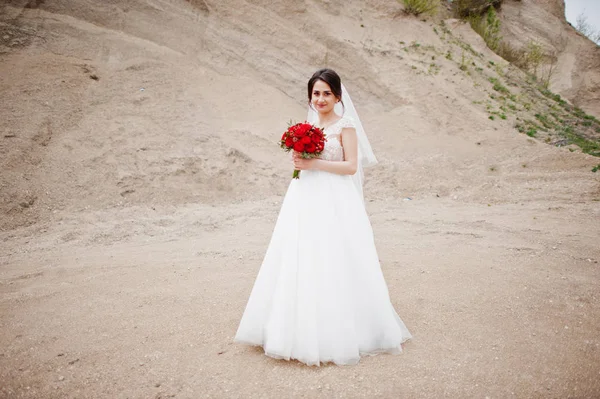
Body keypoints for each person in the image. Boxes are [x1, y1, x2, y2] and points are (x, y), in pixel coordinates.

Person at [234, 68, 411, 366]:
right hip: (304, 196)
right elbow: (302, 164)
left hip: (336, 198)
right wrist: (299, 161)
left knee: (335, 255)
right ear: (310, 97)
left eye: (327, 93)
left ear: (338, 96)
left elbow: (351, 166)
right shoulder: (306, 126)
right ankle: (291, 327)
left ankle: (340, 331)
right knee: (299, 254)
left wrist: (313, 163)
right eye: (316, 93)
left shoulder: (347, 126)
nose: (321, 98)